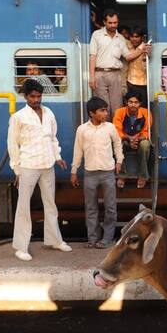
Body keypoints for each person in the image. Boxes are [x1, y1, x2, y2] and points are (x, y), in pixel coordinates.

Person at [7, 78, 72, 261]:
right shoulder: (18, 117)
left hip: (48, 164)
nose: (36, 99)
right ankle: (21, 247)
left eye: (39, 96)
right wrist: (17, 171)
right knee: (23, 206)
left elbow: (53, 138)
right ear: (26, 96)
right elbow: (13, 145)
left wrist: (58, 157)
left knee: (50, 203)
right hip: (28, 166)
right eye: (33, 96)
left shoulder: (49, 113)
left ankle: (54, 240)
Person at [70, 97, 123, 249]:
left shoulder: (110, 128)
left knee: (110, 207)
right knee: (91, 207)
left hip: (107, 172)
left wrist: (119, 161)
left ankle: (107, 238)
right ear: (92, 113)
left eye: (106, 110)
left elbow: (118, 145)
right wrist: (74, 171)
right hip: (90, 173)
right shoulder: (82, 130)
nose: (106, 113)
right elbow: (77, 151)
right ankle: (92, 238)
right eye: (102, 110)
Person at [89, 8, 151, 117]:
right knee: (102, 107)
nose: (113, 25)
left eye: (115, 22)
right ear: (104, 22)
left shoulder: (121, 38)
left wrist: (142, 50)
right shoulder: (96, 35)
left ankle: (116, 132)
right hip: (99, 74)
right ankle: (105, 133)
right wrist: (92, 76)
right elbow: (92, 56)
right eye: (110, 23)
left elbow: (128, 57)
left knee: (117, 107)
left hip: (116, 75)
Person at [113, 91, 151, 189]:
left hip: (139, 140)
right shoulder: (119, 112)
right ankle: (122, 175)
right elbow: (117, 131)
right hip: (125, 139)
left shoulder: (146, 113)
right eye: (130, 102)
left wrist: (137, 139)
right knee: (117, 144)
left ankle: (142, 176)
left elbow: (146, 132)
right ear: (126, 102)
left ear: (140, 103)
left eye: (136, 102)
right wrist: (129, 139)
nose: (133, 105)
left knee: (145, 145)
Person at [126, 27, 148, 104]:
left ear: (142, 37)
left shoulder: (146, 48)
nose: (134, 39)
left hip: (142, 84)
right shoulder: (128, 45)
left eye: (137, 37)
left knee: (141, 106)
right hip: (129, 82)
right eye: (132, 37)